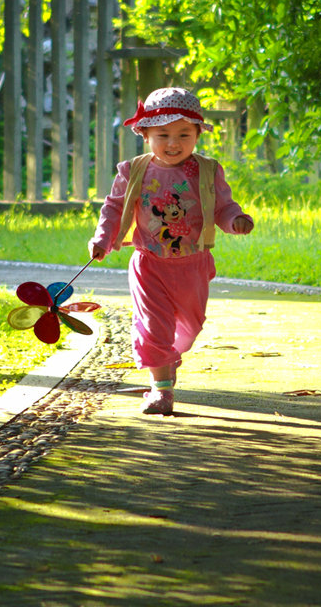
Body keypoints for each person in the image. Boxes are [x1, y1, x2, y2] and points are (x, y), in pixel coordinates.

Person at [89, 87, 254, 415]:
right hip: (149, 263)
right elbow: (114, 207)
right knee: (154, 326)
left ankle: (165, 360)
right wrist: (103, 239)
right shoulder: (133, 170)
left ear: (197, 135)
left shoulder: (206, 170)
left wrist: (234, 219)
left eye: (183, 134)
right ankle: (160, 387)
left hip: (193, 265)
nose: (173, 143)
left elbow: (223, 204)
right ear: (146, 134)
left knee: (189, 328)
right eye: (163, 134)